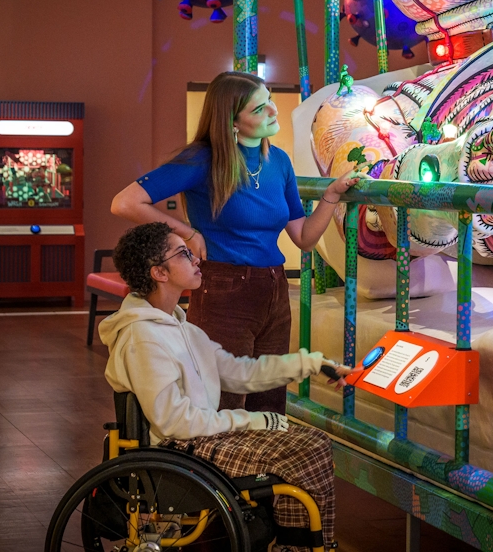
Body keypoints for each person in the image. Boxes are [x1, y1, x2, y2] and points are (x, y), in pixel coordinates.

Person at [112, 71, 358, 413]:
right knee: (222, 398)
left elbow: (303, 238)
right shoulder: (202, 159)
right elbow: (125, 202)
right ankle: (215, 468)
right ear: (232, 121)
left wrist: (331, 195)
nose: (273, 111)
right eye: (259, 109)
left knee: (269, 401)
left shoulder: (279, 162)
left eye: (269, 100)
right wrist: (187, 232)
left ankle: (259, 467)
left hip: (275, 287)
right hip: (224, 288)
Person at [100, 222, 349, 549]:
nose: (197, 259)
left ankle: (299, 544)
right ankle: (303, 545)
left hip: (196, 437)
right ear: (160, 273)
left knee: (314, 441)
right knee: (304, 453)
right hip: (175, 450)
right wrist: (252, 419)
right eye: (184, 254)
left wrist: (313, 364)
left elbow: (237, 371)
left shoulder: (176, 323)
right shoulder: (143, 336)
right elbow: (174, 421)